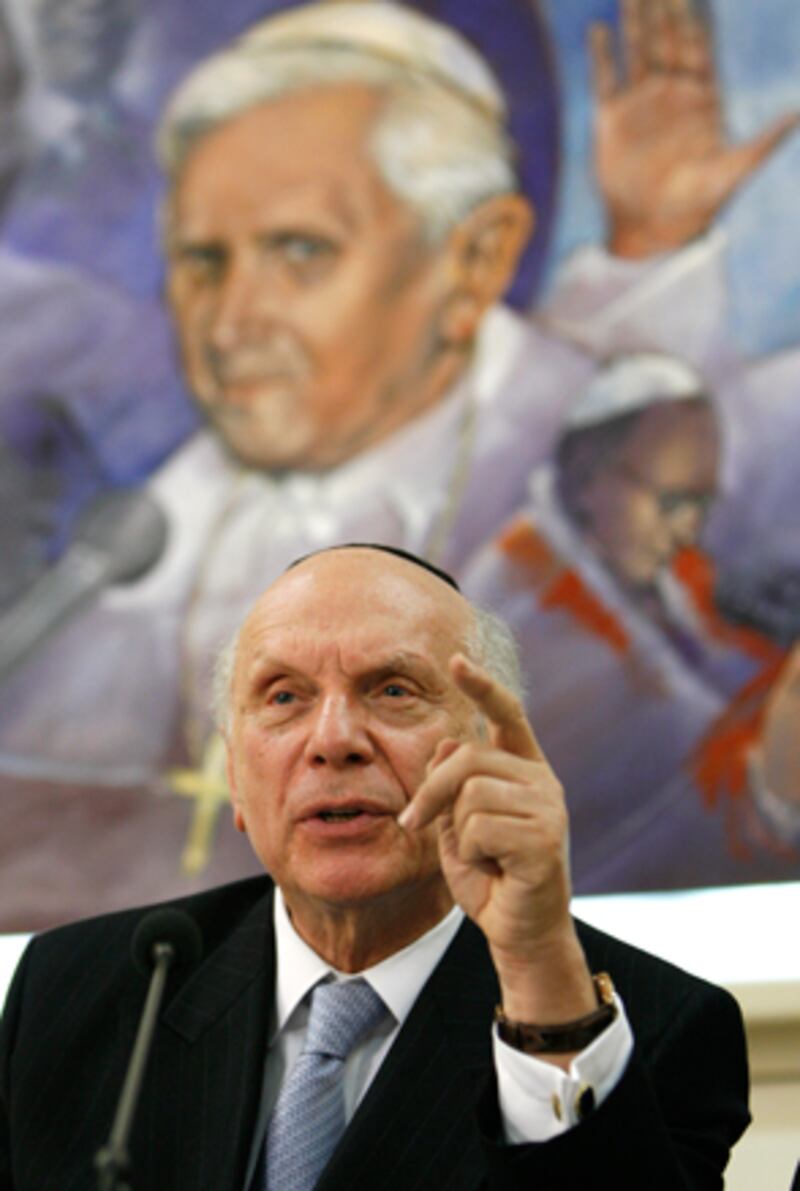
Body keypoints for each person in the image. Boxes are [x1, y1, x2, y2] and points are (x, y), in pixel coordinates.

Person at [0, 0, 795, 929]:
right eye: (203, 261)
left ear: (475, 261)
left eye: (299, 252)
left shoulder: (607, 469)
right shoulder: (148, 535)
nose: (229, 322)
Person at [0, 544, 750, 1188]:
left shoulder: (658, 1031)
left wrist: (534, 966)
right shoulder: (77, 994)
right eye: (284, 696)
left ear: (489, 754)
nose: (334, 740)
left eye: (393, 690)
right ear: (234, 775)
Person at [462, 355, 799, 890]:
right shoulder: (532, 616)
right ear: (589, 478)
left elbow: (726, 652)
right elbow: (714, 797)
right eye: (672, 503)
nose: (687, 532)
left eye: (700, 505)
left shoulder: (635, 555)